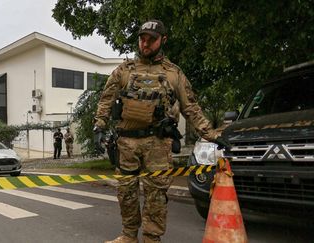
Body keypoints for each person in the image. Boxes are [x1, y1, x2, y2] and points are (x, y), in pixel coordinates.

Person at [93, 19, 231, 243]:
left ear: (162, 40)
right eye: (142, 39)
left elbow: (191, 108)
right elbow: (106, 100)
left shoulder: (174, 74)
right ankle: (128, 236)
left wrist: (212, 135)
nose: (145, 44)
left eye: (151, 40)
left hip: (158, 144)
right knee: (126, 194)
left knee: (156, 196)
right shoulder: (123, 70)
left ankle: (151, 239)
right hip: (127, 144)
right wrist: (99, 126)